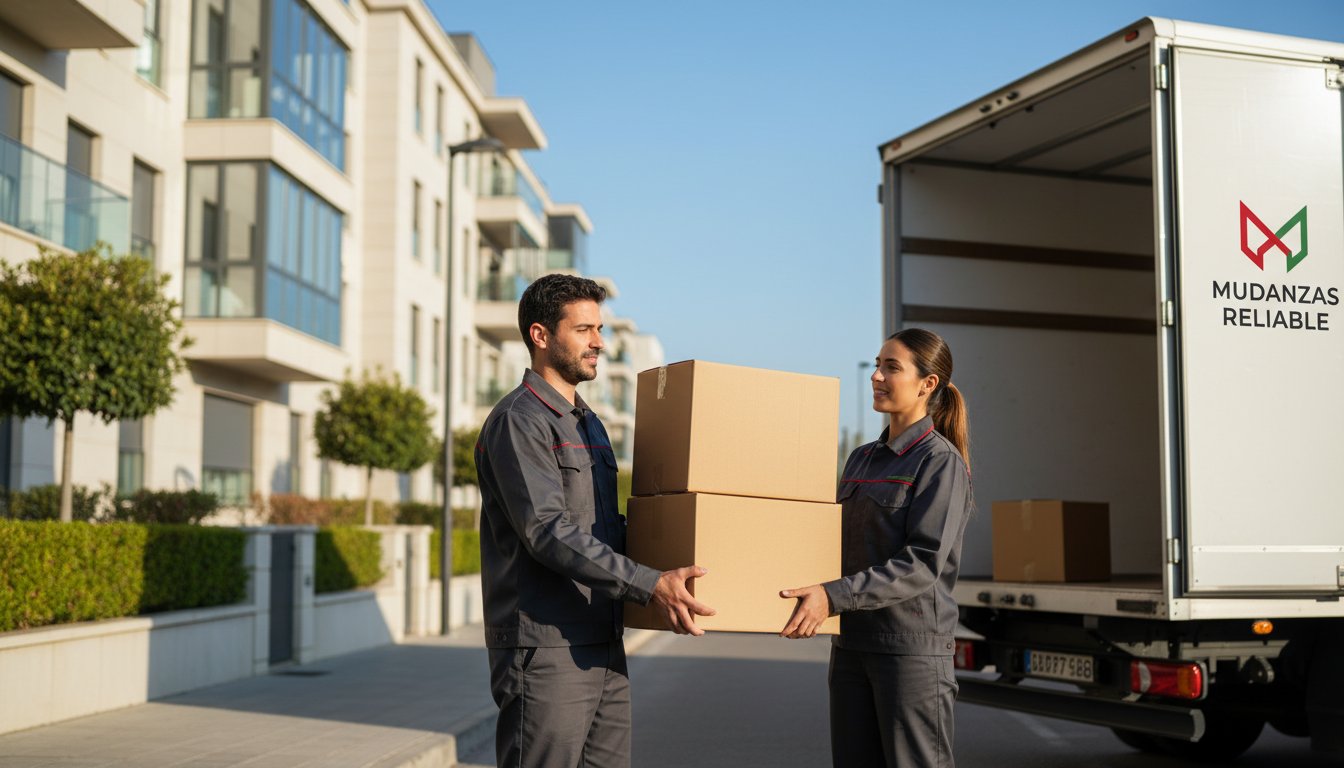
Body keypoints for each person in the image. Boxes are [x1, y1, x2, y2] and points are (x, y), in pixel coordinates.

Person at [475, 273, 715, 768]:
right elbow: (547, 531)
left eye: (599, 329)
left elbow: (608, 531)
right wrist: (649, 585)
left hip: (602, 640)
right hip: (545, 648)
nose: (599, 343)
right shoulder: (519, 421)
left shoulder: (589, 424)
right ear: (541, 336)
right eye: (584, 330)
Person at [779, 328, 973, 768]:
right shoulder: (861, 458)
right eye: (876, 365)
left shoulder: (939, 462)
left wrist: (832, 595)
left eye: (892, 367)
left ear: (928, 384)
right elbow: (828, 540)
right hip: (852, 646)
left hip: (910, 651)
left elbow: (922, 561)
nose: (877, 376)